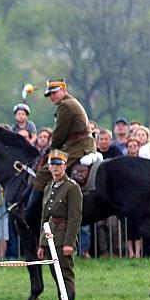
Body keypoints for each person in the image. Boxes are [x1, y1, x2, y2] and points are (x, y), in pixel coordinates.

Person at [23, 78, 95, 223]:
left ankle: (30, 213)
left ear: (63, 90)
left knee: (43, 173)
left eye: (55, 92)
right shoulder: (71, 102)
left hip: (77, 146)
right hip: (82, 144)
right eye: (50, 94)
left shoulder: (65, 106)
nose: (52, 96)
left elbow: (59, 135)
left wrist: (50, 151)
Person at [36, 151, 83, 300]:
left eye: (59, 164)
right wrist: (42, 243)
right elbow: (45, 216)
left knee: (65, 274)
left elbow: (75, 217)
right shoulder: (49, 187)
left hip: (63, 236)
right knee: (56, 276)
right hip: (50, 236)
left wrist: (69, 242)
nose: (55, 168)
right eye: (52, 164)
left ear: (65, 166)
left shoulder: (72, 187)